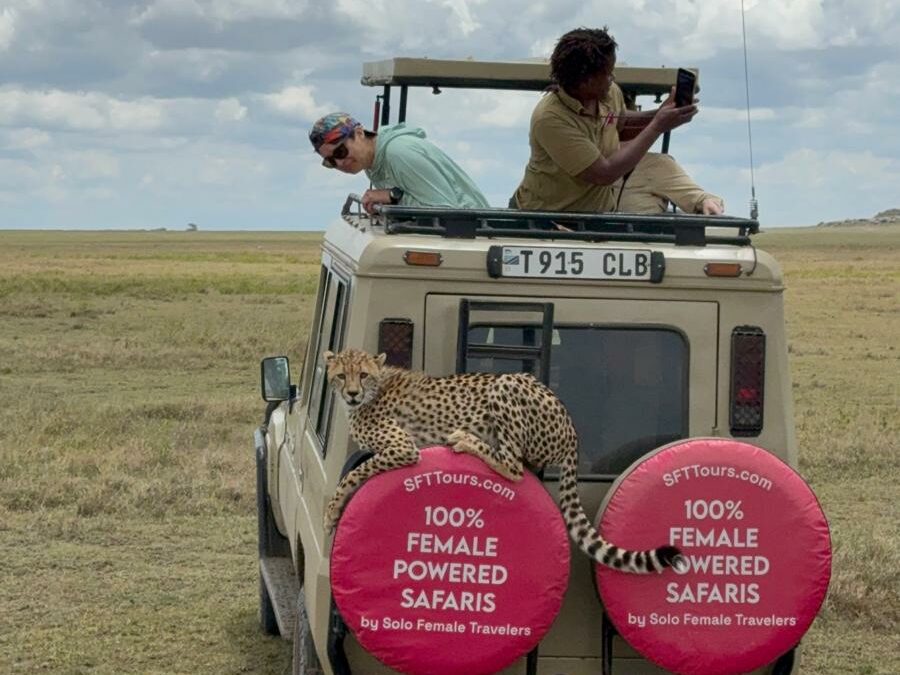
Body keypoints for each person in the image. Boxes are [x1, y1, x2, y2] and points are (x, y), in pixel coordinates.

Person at [512, 27, 717, 216]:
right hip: (543, 219)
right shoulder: (550, 118)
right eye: (607, 74)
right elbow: (604, 173)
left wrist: (661, 113)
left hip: (593, 216)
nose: (613, 78)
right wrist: (657, 126)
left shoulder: (608, 93)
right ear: (585, 80)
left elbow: (620, 124)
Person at [309, 112, 489, 214]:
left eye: (340, 151)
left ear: (359, 133)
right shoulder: (371, 162)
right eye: (330, 161)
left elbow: (445, 211)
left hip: (476, 236)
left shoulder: (398, 152)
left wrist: (392, 197)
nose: (340, 162)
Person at [616, 152, 725, 215]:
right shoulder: (604, 163)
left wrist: (707, 202)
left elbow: (699, 198)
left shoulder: (656, 164)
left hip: (642, 241)